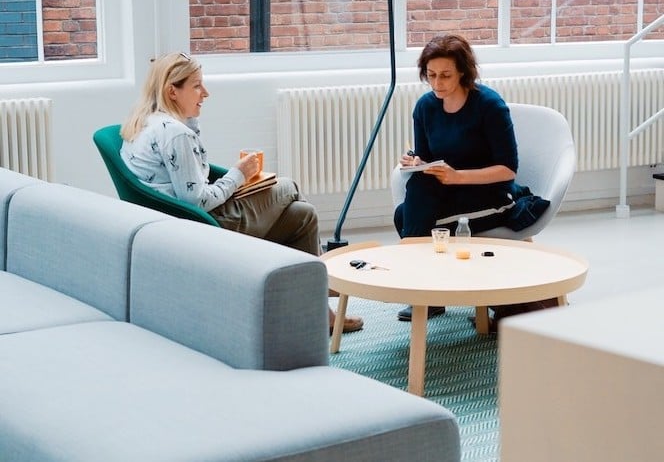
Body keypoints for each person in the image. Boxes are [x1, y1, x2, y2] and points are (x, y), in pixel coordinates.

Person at [120, 52, 363, 335]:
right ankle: (322, 279)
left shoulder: (150, 123)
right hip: (207, 225)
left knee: (303, 215)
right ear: (172, 91)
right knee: (288, 186)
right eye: (197, 86)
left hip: (184, 222)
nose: (205, 93)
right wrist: (238, 175)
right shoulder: (176, 134)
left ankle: (320, 310)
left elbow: (189, 181)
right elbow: (195, 200)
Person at [394, 34, 520, 322]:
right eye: (431, 75)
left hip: (491, 195)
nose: (437, 83)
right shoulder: (426, 106)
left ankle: (424, 291)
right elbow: (426, 159)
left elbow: (508, 169)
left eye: (446, 75)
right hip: (449, 191)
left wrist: (457, 176)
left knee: (407, 218)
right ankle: (429, 291)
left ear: (463, 71)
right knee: (409, 205)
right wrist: (415, 162)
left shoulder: (489, 106)